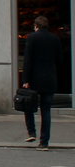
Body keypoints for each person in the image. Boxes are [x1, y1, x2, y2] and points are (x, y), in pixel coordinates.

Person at [22, 15, 61, 150]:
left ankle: (32, 132)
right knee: (46, 111)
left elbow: (28, 60)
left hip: (34, 79)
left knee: (28, 106)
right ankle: (44, 142)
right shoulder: (55, 38)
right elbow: (59, 59)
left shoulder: (32, 38)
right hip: (49, 79)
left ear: (36, 26)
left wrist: (26, 80)